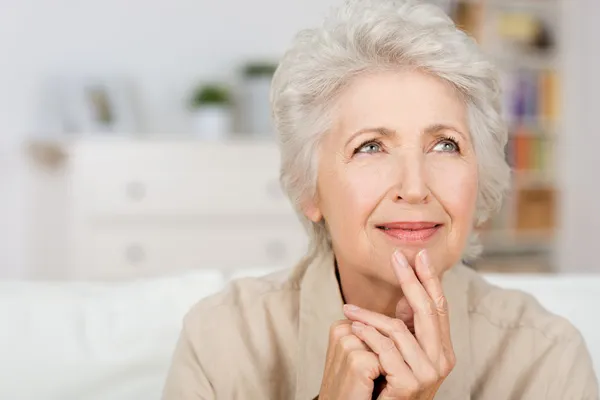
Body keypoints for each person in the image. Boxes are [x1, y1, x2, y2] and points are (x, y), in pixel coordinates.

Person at [162, 1, 598, 398]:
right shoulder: (221, 341)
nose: (414, 187)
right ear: (309, 187)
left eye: (446, 145)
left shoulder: (547, 359)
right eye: (370, 146)